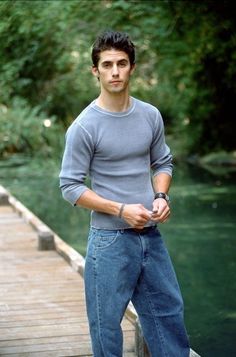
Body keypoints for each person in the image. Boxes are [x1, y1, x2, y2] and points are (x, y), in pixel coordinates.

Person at [59, 30, 190, 357]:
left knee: (168, 316)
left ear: (132, 68)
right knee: (106, 325)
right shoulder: (85, 126)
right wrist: (120, 209)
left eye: (121, 63)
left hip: (151, 235)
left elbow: (162, 162)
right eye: (107, 65)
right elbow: (70, 187)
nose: (115, 71)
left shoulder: (150, 116)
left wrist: (161, 196)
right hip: (109, 242)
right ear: (96, 71)